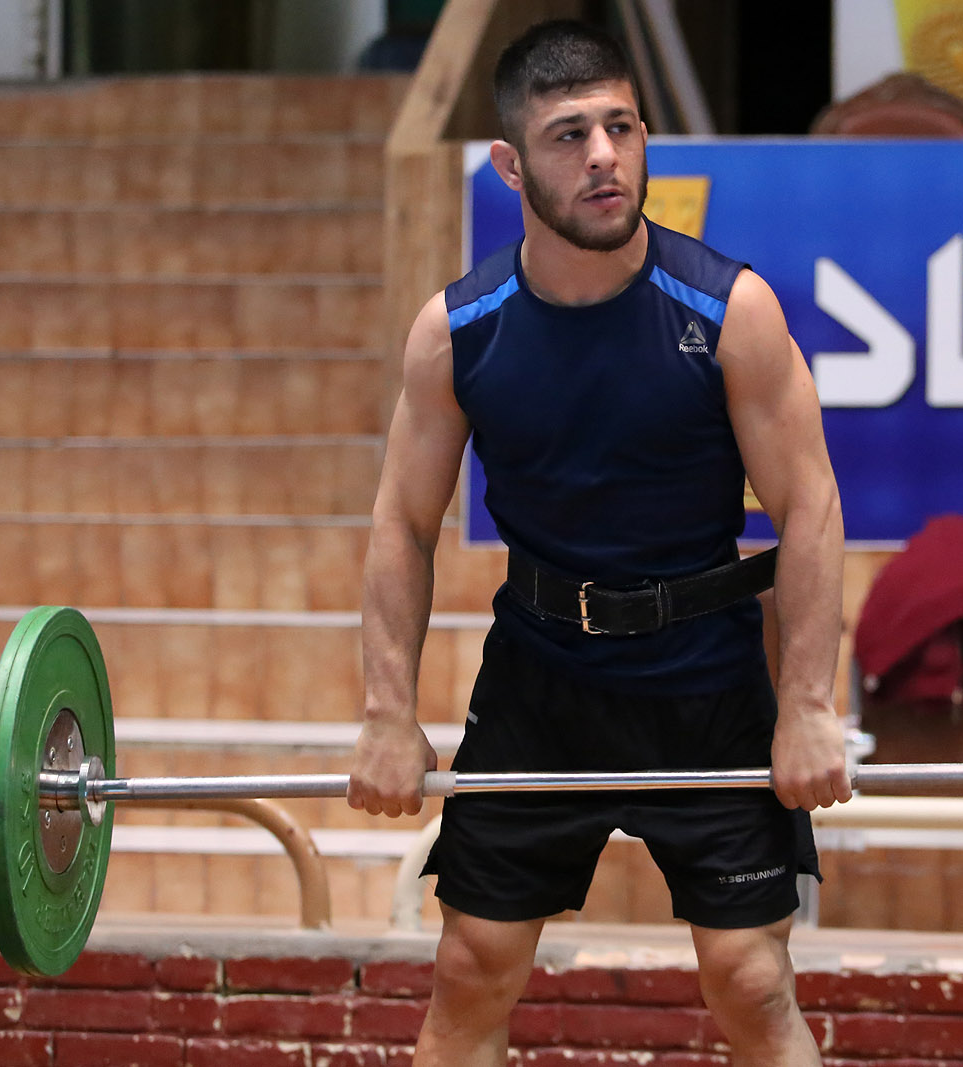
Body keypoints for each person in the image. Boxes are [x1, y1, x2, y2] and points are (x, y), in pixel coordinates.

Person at [346, 18, 850, 1067]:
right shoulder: (458, 331)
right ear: (510, 164)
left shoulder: (730, 311)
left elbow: (809, 505)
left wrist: (807, 705)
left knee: (752, 980)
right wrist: (389, 713)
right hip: (542, 678)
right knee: (470, 966)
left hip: (705, 678)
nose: (604, 156)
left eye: (620, 127)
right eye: (570, 135)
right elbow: (402, 522)